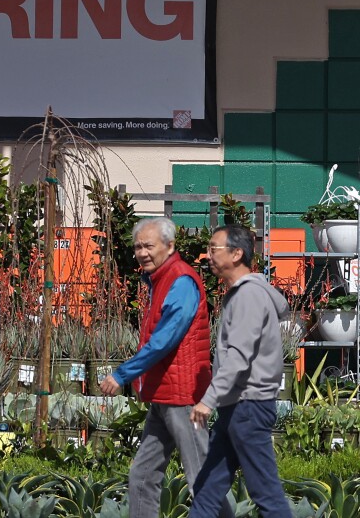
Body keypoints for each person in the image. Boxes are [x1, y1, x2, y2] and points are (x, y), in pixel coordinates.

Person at [99, 217, 232, 518]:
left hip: (184, 397)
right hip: (164, 395)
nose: (142, 252)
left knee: (201, 478)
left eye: (148, 246)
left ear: (170, 246)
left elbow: (164, 340)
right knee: (142, 477)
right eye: (137, 247)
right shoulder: (160, 280)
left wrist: (122, 374)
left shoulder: (180, 281)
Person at [189, 225, 292, 517]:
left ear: (237, 254)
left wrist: (209, 399)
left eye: (213, 249)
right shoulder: (240, 295)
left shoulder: (248, 296)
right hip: (237, 407)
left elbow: (238, 356)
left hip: (250, 407)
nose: (207, 255)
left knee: (266, 494)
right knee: (207, 490)